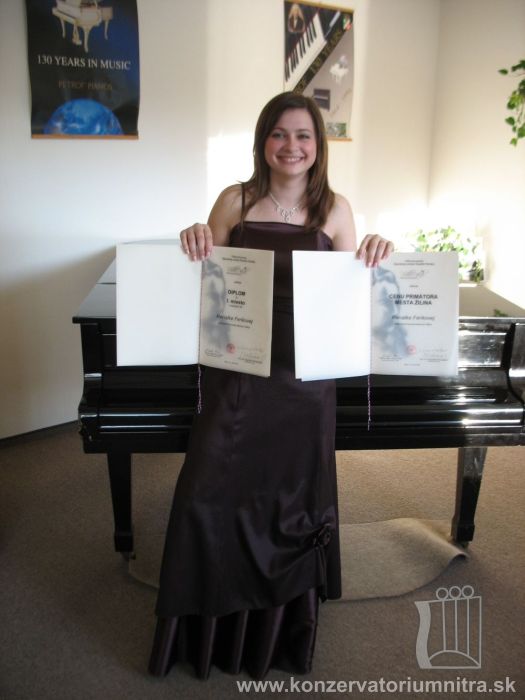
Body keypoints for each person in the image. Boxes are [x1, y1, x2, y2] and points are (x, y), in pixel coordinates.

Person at [148, 92, 393, 680]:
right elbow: (204, 277)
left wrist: (378, 256)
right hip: (237, 375)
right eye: (279, 134)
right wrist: (193, 239)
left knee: (289, 501)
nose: (291, 146)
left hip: (304, 385)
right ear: (263, 142)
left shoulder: (336, 210)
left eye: (303, 135)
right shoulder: (234, 201)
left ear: (318, 145)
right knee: (208, 487)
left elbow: (351, 300)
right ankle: (203, 626)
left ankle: (278, 632)